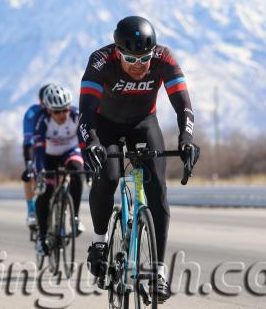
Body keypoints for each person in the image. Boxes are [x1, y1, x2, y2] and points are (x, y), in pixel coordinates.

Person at [79, 16, 200, 303]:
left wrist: (186, 139)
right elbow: (85, 112)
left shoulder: (164, 59)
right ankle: (99, 242)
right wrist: (92, 142)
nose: (139, 65)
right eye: (131, 58)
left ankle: (157, 271)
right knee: (107, 177)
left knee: (157, 189)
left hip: (143, 123)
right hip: (103, 124)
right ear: (118, 52)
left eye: (144, 58)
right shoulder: (100, 61)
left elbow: (183, 104)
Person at [30, 84, 86, 255]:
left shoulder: (76, 115)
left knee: (77, 171)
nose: (62, 115)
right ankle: (42, 236)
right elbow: (38, 151)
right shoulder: (41, 120)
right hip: (48, 156)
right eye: (57, 111)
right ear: (48, 110)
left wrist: (89, 167)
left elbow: (85, 143)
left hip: (70, 151)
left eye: (65, 110)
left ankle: (75, 218)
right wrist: (40, 172)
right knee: (45, 191)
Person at [21, 83, 53, 230]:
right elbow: (28, 142)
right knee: (30, 172)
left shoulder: (60, 111)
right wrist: (29, 163)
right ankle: (32, 210)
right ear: (42, 102)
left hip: (56, 147)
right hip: (36, 147)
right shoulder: (32, 113)